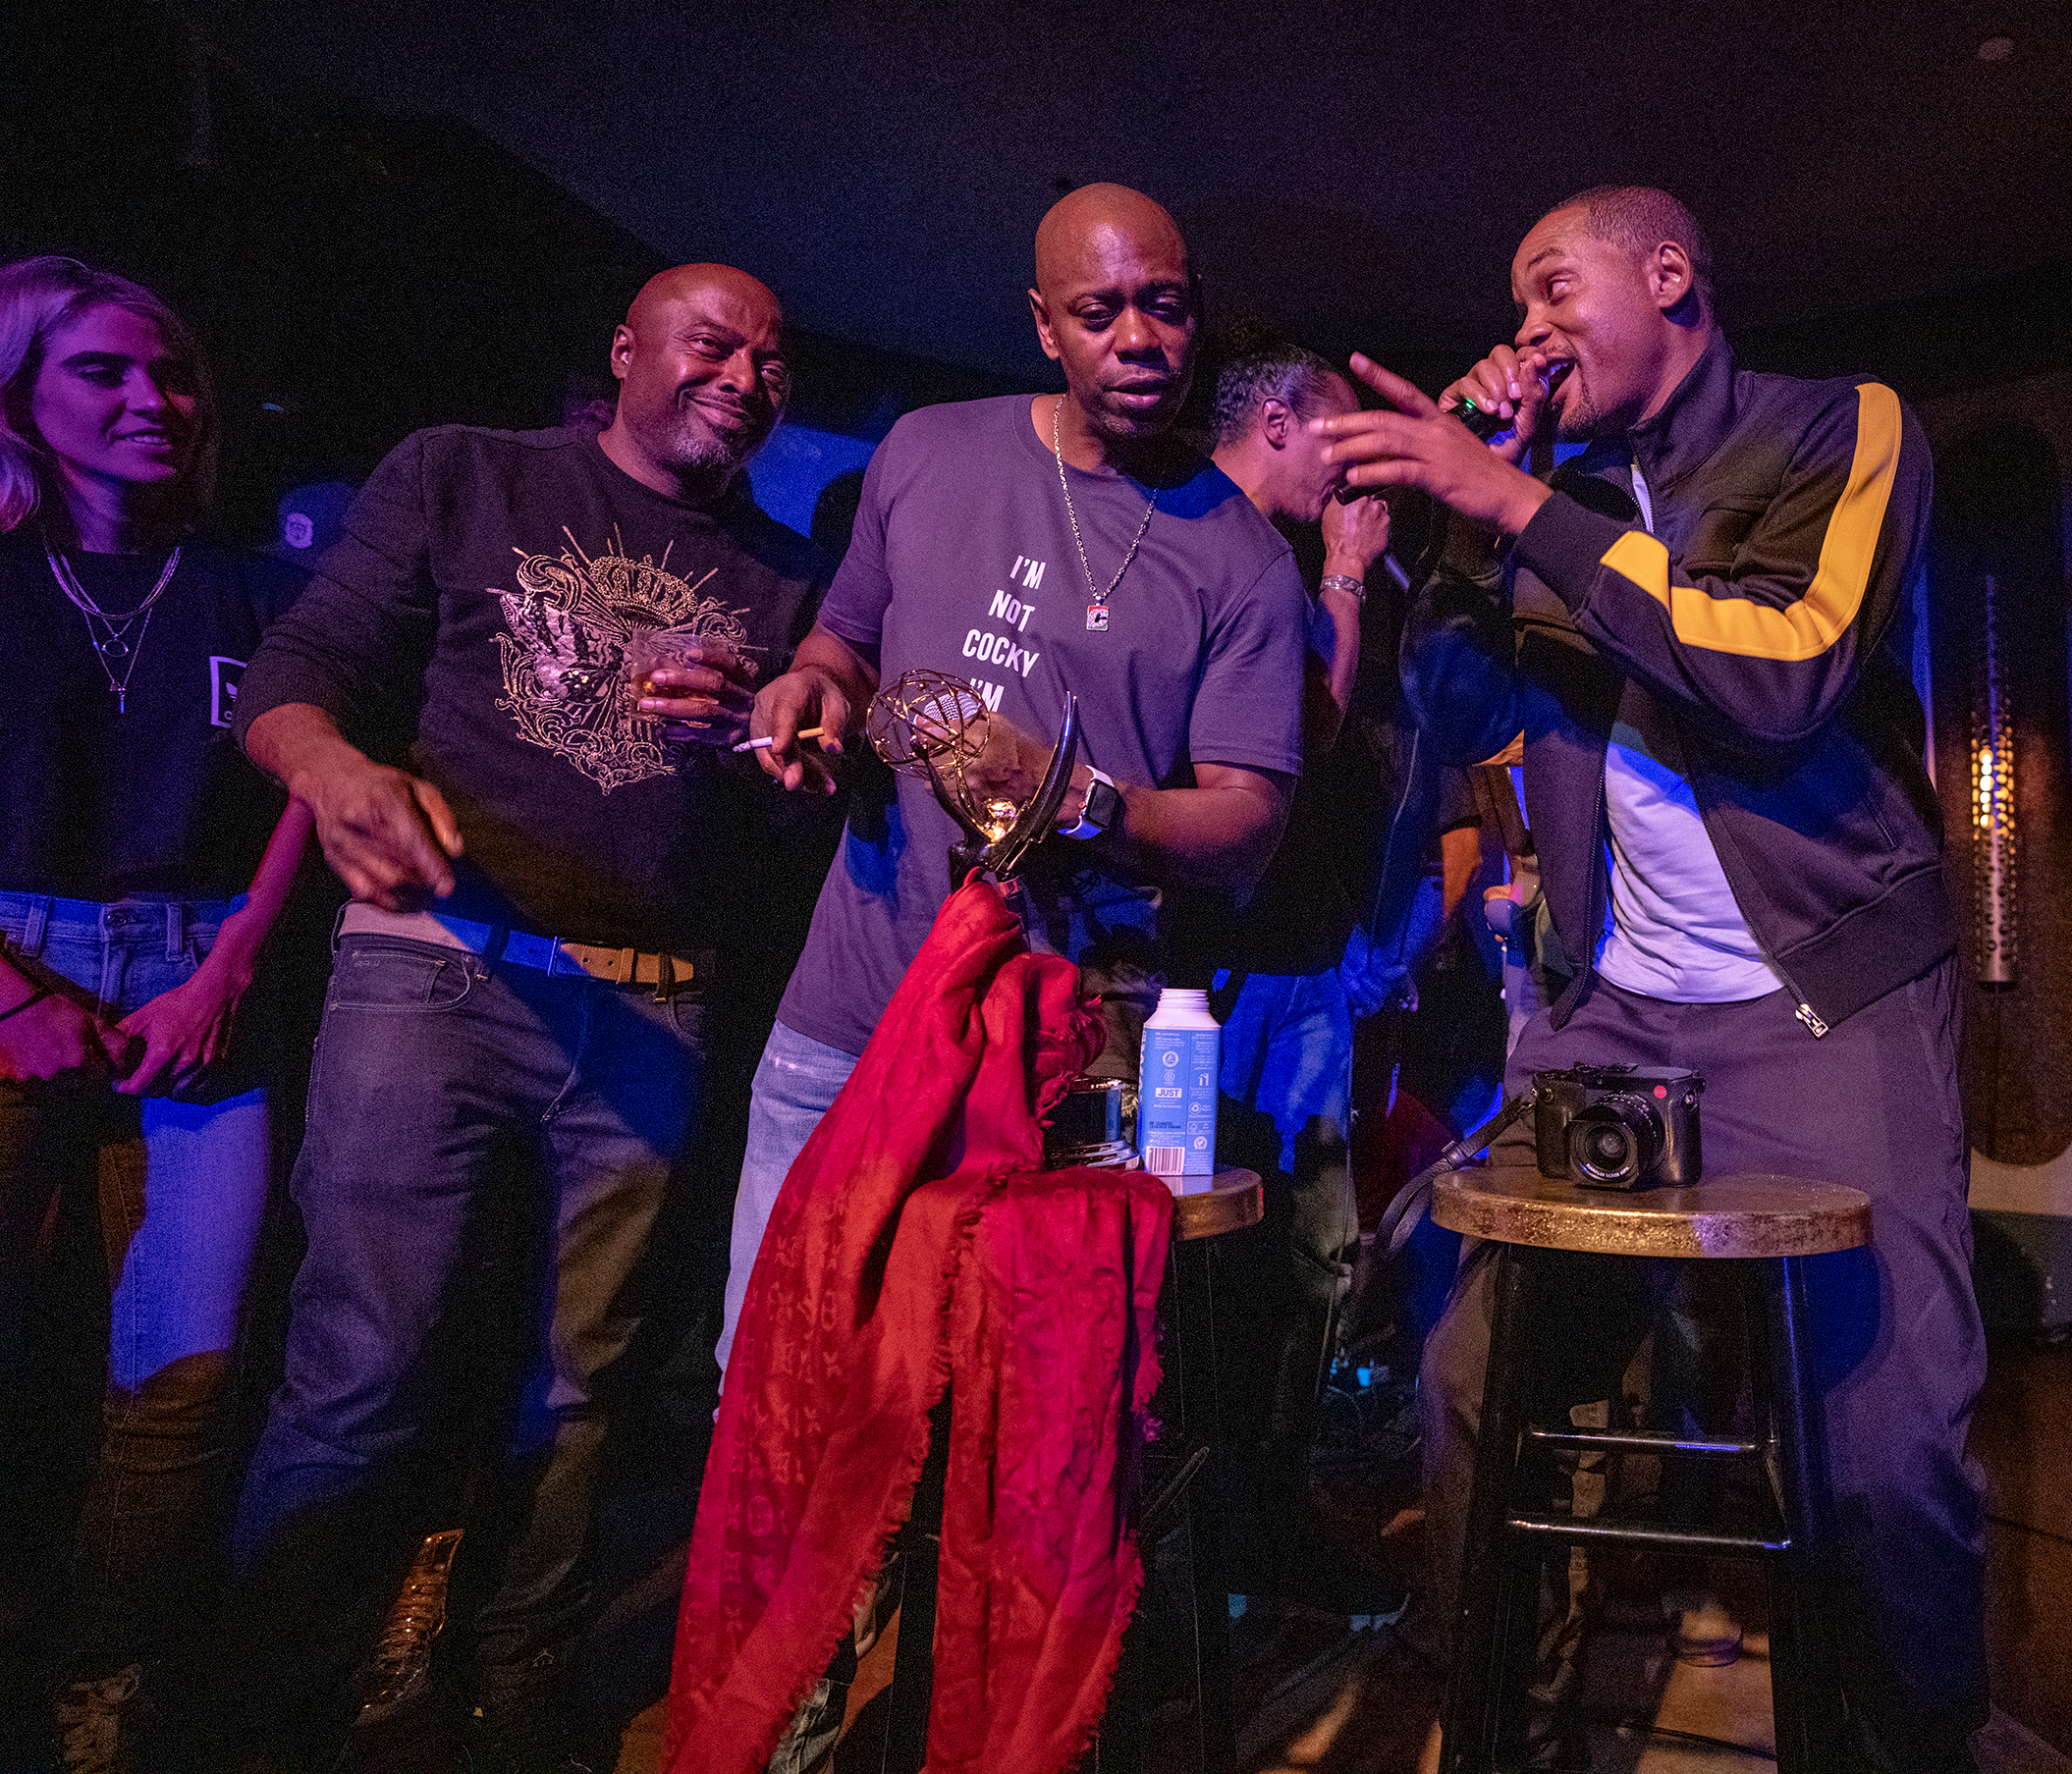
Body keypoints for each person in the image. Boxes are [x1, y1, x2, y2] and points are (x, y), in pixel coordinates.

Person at [1320, 188, 2053, 1772]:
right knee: (1469, 1385)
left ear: (1670, 277)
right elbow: (1451, 723)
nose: (1524, 324)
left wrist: (1517, 510)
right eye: (1511, 297)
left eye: (1552, 283)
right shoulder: (1547, 488)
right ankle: (1485, 1699)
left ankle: (1925, 1731)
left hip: (1825, 998)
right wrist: (1460, 515)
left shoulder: (1834, 427)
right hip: (1611, 1012)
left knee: (1880, 1452)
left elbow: (1783, 672)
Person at [226, 263, 824, 1758]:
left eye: (770, 363)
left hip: (654, 1007)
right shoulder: (467, 473)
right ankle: (269, 1701)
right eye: (712, 345)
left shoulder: (778, 576)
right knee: (367, 1357)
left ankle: (507, 1685)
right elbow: (295, 677)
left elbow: (778, 832)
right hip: (439, 967)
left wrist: (773, 759)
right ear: (626, 350)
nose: (745, 378)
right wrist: (335, 771)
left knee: (581, 1384)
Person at [720, 185, 1305, 1375]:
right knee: (773, 1376)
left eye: (1165, 307)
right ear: (1045, 325)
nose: (1139, 339)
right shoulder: (932, 447)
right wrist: (812, 690)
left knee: (999, 1415)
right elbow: (845, 640)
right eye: (1101, 313)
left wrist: (1081, 798)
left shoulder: (1241, 556)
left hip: (1057, 1054)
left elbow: (1249, 823)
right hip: (848, 1013)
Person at [0, 258, 314, 1772]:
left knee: (185, 1357)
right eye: (105, 375)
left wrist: (233, 962)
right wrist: (11, 996)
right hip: (17, 957)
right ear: (23, 398)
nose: (150, 400)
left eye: (172, 375)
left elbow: (307, 787)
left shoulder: (256, 583)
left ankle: (102, 1672)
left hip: (199, 973)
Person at [1191, 335, 1405, 1613]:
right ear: (1277, 420)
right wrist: (1344, 581)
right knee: (1237, 1257)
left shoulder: (1250, 548)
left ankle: (1257, 1533)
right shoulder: (1218, 540)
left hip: (1295, 965)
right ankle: (1216, 1547)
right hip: (1223, 975)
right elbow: (1301, 741)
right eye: (1341, 432)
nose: (1358, 463)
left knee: (1307, 1257)